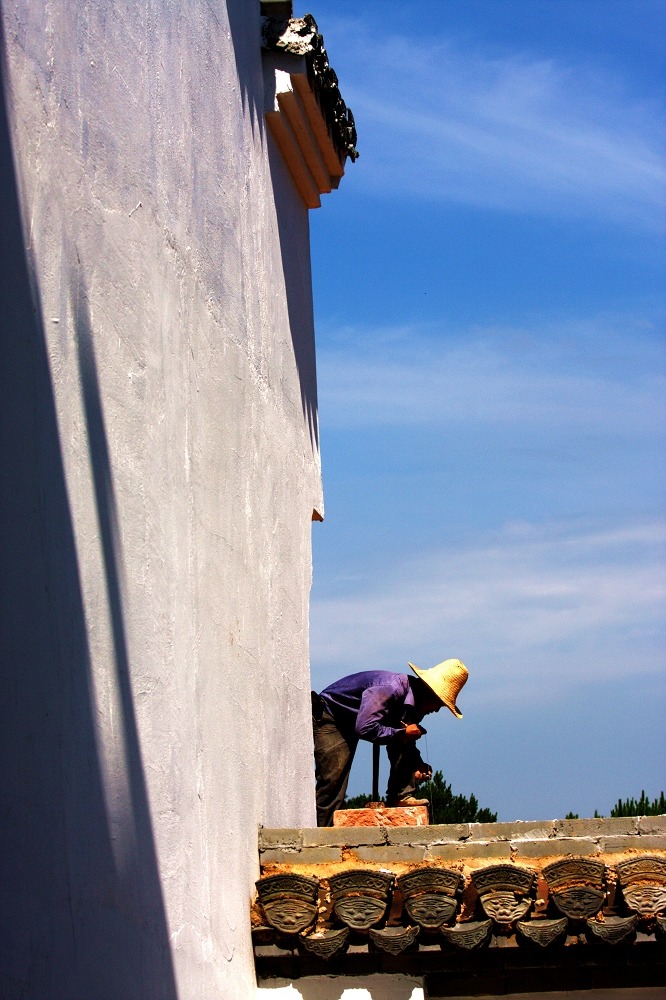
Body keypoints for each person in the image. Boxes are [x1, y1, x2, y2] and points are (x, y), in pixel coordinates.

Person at [311, 658, 468, 827]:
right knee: (333, 783)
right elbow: (364, 727)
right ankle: (321, 840)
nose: (436, 710)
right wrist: (402, 733)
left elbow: (404, 740)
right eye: (439, 703)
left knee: (403, 737)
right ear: (429, 692)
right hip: (333, 717)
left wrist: (417, 764)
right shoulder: (390, 688)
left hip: (356, 720)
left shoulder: (415, 706)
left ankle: (401, 796)